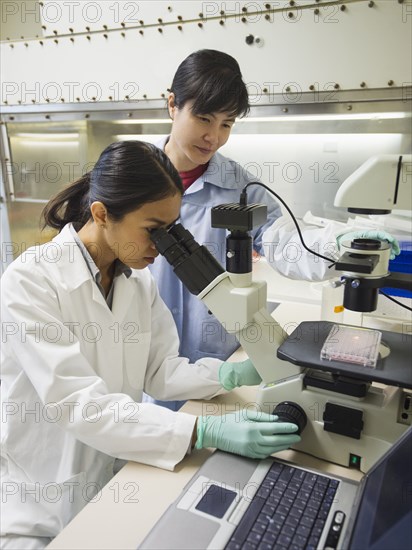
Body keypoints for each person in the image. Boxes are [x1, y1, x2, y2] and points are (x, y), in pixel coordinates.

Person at [0, 141, 301, 549]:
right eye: (152, 230)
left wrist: (229, 373)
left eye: (172, 229)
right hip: (39, 506)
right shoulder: (30, 282)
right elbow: (80, 406)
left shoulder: (136, 280)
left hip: (111, 480)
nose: (162, 246)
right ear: (102, 213)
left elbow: (158, 371)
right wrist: (202, 429)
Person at [149, 49, 399, 410]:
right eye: (204, 118)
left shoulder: (239, 185)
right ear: (173, 105)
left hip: (213, 364)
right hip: (139, 354)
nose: (213, 137)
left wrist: (341, 243)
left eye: (227, 124)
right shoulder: (130, 175)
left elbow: (281, 239)